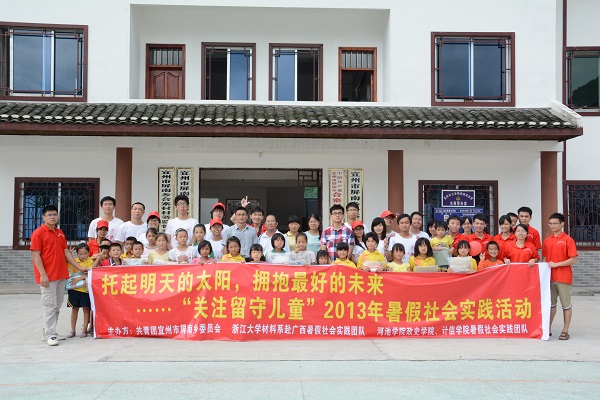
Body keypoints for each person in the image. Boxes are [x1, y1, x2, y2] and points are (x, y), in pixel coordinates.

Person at [31, 205, 87, 346]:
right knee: (49, 306)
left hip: (61, 275)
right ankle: (50, 334)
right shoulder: (38, 233)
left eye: (54, 214)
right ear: (43, 217)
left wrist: (79, 267)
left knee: (56, 306)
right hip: (48, 277)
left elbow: (66, 252)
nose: (53, 217)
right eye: (49, 215)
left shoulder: (60, 233)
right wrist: (42, 274)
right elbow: (36, 255)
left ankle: (50, 332)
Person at [543, 212, 578, 340]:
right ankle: (548, 328)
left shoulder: (568, 240)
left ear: (562, 224)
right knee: (550, 304)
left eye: (555, 223)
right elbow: (545, 258)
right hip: (550, 278)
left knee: (566, 305)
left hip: (563, 278)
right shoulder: (547, 241)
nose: (552, 226)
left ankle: (565, 330)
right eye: (550, 223)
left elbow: (573, 259)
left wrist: (556, 264)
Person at [66, 243, 99, 339]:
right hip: (74, 289)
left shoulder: (90, 262)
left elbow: (90, 272)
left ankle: (84, 329)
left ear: (89, 253)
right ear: (77, 254)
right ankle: (72, 330)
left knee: (86, 309)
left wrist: (78, 278)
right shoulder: (74, 261)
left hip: (86, 290)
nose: (83, 256)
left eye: (85, 253)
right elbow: (65, 263)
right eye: (80, 254)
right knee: (74, 309)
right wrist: (69, 255)